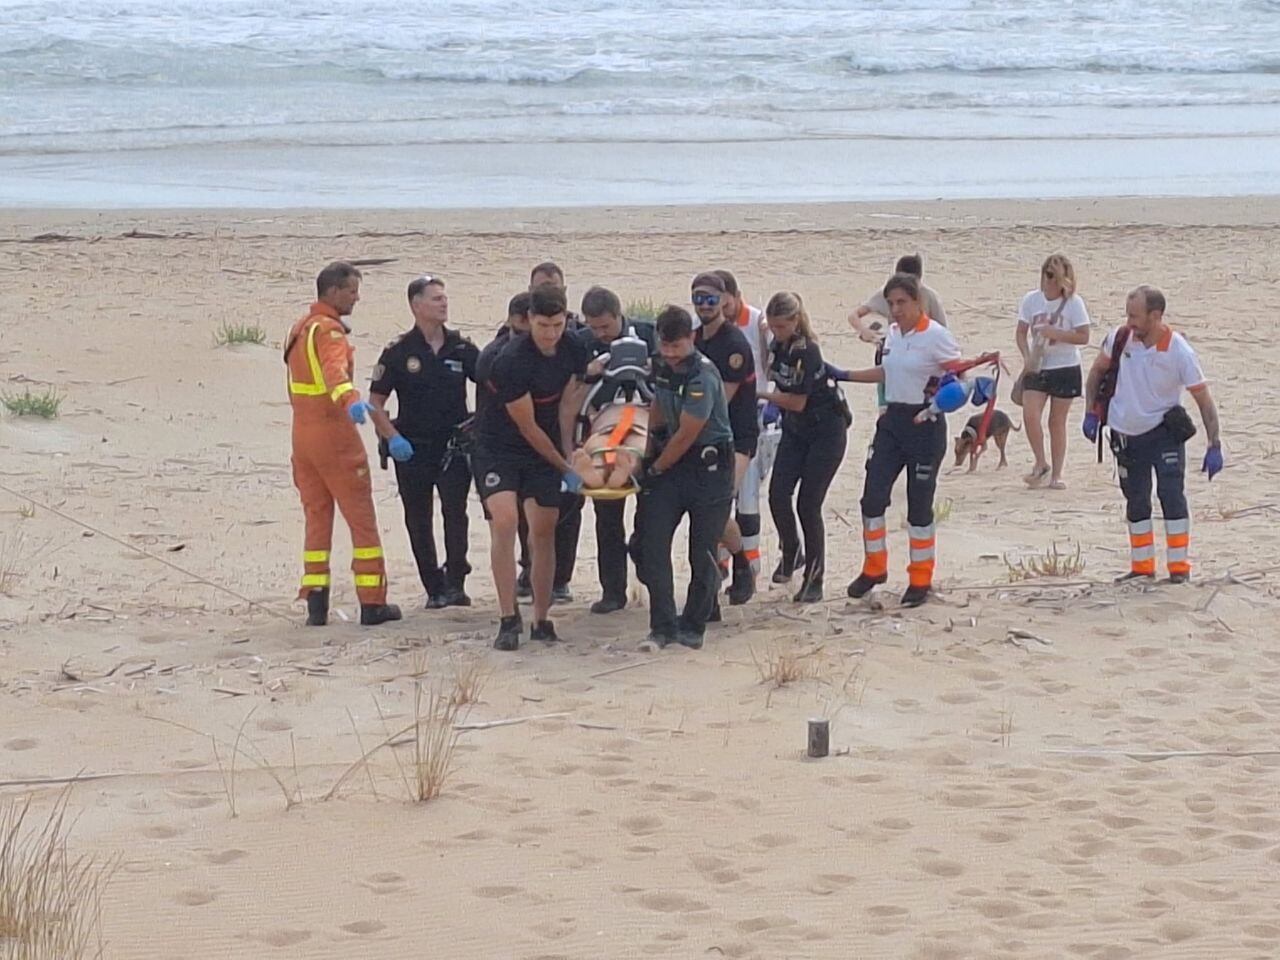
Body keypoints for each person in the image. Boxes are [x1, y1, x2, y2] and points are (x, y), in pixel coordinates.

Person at [284, 261, 401, 626]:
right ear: (333, 292)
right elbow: (334, 372)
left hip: (303, 436)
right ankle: (373, 602)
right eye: (351, 291)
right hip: (334, 436)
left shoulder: (301, 328)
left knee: (317, 518)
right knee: (361, 519)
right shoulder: (329, 331)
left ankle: (316, 604)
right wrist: (351, 401)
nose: (356, 298)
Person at [473, 284, 588, 650]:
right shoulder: (509, 361)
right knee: (505, 521)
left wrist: (570, 455)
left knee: (543, 529)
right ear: (529, 320)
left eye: (557, 325)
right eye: (542, 326)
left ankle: (541, 618)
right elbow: (528, 426)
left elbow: (568, 407)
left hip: (547, 447)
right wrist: (563, 465)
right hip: (499, 447)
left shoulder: (575, 348)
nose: (550, 334)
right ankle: (509, 617)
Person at [1084, 286, 1222, 583]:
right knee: (1136, 500)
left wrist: (1214, 444)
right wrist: (1091, 412)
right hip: (1124, 435)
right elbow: (1096, 372)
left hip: (1163, 433)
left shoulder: (1179, 352)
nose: (1129, 323)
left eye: (1135, 316)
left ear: (1155, 316)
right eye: (1127, 315)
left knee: (1171, 495)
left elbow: (1204, 400)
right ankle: (1142, 567)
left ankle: (1179, 568)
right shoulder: (1120, 339)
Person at [842, 273, 962, 607]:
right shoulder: (892, 335)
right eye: (891, 303)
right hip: (892, 422)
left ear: (918, 302)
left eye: (901, 303)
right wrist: (843, 374)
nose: (895, 310)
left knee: (919, 506)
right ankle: (874, 567)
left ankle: (920, 579)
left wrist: (943, 398)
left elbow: (960, 378)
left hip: (924, 425)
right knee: (872, 498)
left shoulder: (937, 336)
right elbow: (888, 373)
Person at [368, 275, 478, 610]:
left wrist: (479, 424)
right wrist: (393, 438)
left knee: (455, 514)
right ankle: (434, 587)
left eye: (444, 297)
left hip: (453, 447)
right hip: (413, 448)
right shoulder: (399, 352)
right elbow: (375, 403)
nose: (444, 303)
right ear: (416, 305)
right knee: (418, 518)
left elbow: (493, 384)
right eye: (435, 298)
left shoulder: (461, 347)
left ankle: (456, 582)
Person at [641, 306, 736, 648]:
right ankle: (663, 625)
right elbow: (658, 405)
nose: (669, 353)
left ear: (691, 339)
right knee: (651, 543)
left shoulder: (702, 376)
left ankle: (694, 624)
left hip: (708, 467)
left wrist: (655, 468)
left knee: (702, 550)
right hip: (672, 461)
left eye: (676, 346)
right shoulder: (662, 365)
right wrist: (646, 449)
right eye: (664, 346)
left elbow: (687, 434)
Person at [574, 286, 658, 613]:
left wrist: (651, 365)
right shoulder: (581, 343)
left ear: (618, 315)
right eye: (593, 327)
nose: (600, 334)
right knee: (606, 515)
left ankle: (644, 560)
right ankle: (613, 591)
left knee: (651, 514)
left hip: (644, 420)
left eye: (605, 327)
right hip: (603, 422)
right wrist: (588, 370)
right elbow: (571, 385)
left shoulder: (648, 335)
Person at [763, 292, 850, 603]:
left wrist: (762, 396)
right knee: (777, 494)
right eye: (772, 326)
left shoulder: (807, 350)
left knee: (808, 504)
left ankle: (815, 578)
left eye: (781, 326)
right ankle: (791, 550)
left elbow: (797, 401)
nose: (776, 332)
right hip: (796, 430)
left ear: (795, 321)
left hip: (826, 430)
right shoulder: (778, 346)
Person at [691, 272, 759, 607]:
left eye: (710, 299)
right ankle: (721, 574)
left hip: (736, 437)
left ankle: (742, 565)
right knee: (706, 509)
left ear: (723, 300)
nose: (704, 305)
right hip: (700, 437)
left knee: (716, 506)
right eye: (698, 299)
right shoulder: (693, 339)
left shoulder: (734, 345)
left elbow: (720, 402)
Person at [516, 260, 583, 602]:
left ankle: (560, 579)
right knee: (526, 512)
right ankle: (529, 570)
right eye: (540, 287)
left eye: (553, 287)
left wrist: (569, 452)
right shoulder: (514, 338)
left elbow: (578, 393)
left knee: (569, 509)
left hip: (566, 433)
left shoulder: (576, 339)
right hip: (523, 436)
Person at [713, 269, 779, 596]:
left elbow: (775, 362)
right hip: (717, 421)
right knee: (718, 500)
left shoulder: (756, 322)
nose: (722, 313)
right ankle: (721, 564)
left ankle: (750, 568)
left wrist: (772, 401)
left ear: (737, 297)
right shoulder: (705, 328)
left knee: (748, 500)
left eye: (727, 306)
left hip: (753, 419)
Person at [1016, 254, 1091, 489]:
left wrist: (1056, 333)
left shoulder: (1074, 303)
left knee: (1056, 422)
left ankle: (1057, 474)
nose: (1048, 281)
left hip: (1065, 366)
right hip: (1038, 365)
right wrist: (1026, 356)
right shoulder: (1031, 300)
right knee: (1030, 414)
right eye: (1046, 274)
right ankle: (1041, 462)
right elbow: (1021, 332)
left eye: (1053, 276)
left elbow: (1084, 336)